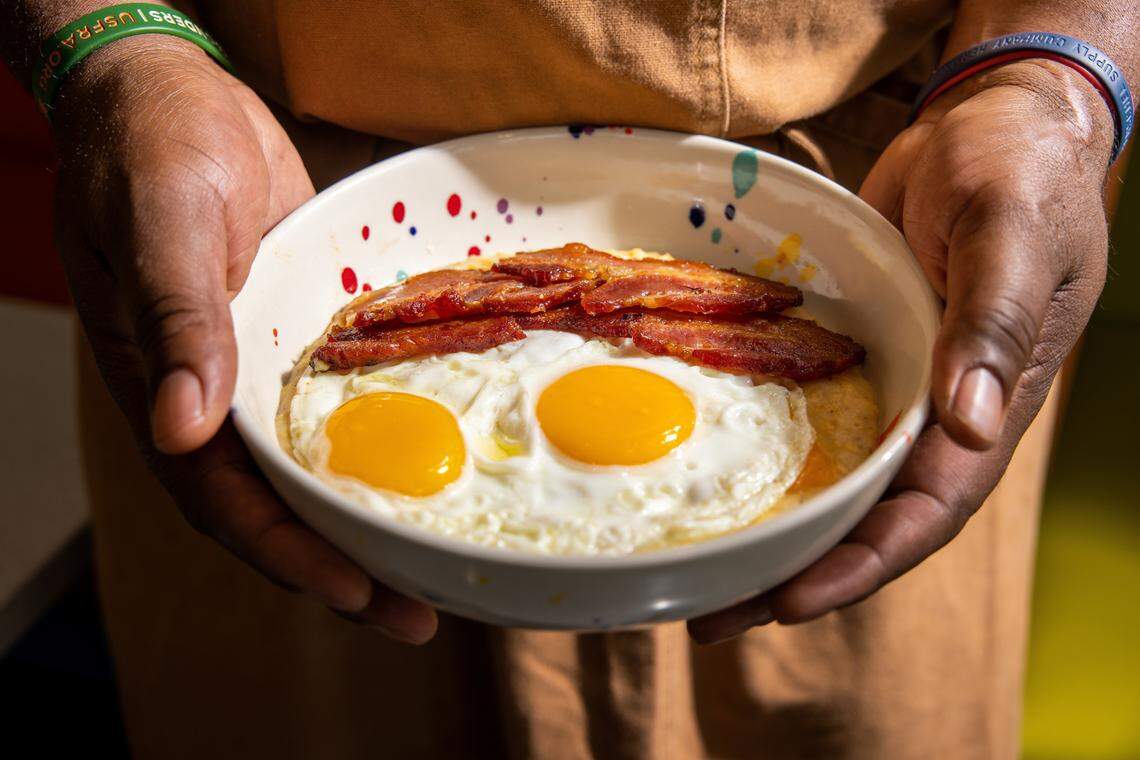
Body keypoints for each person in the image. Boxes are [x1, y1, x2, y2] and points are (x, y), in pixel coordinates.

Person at [2, 1, 1134, 757]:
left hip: (883, 209)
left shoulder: (845, 346)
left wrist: (1054, 80)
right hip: (253, 223)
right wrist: (109, 49)